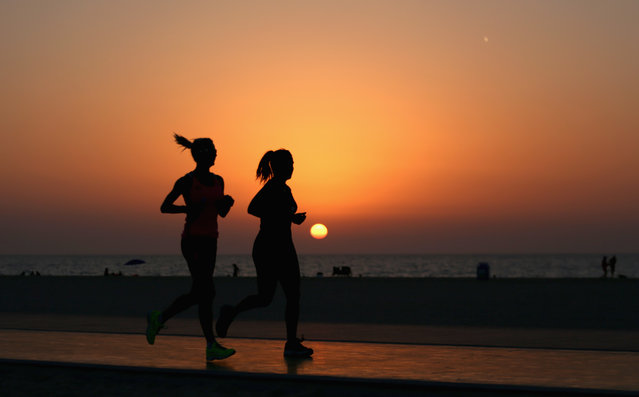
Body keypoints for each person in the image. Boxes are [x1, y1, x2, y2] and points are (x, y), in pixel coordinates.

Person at [146, 133, 235, 361]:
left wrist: (227, 204)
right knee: (206, 292)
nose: (216, 153)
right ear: (202, 155)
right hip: (192, 240)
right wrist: (187, 210)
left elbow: (221, 213)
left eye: (216, 149)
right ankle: (210, 344)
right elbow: (164, 207)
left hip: (211, 240)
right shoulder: (186, 181)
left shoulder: (219, 181)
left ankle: (161, 318)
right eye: (213, 150)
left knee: (202, 293)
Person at [216, 149, 313, 357]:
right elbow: (252, 208)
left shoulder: (285, 189)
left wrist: (292, 218)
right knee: (266, 297)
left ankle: (291, 343)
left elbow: (282, 214)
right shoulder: (272, 187)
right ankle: (230, 312)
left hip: (285, 246)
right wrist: (284, 216)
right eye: (289, 163)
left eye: (293, 163)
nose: (293, 167)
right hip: (269, 247)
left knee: (290, 295)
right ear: (279, 167)